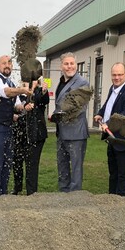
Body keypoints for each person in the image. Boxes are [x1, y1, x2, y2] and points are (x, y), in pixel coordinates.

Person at [0, 55, 30, 197]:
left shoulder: (11, 82)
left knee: (7, 161)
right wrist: (22, 90)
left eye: (9, 63)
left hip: (8, 126)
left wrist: (24, 106)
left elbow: (16, 106)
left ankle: (3, 192)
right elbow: (5, 93)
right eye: (4, 63)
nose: (7, 65)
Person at [93, 62, 125, 197]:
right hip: (113, 139)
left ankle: (121, 205)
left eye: (120, 74)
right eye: (114, 75)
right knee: (113, 173)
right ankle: (111, 200)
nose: (117, 77)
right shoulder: (113, 88)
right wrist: (100, 113)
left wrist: (107, 123)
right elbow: (109, 104)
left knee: (123, 176)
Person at [51, 52, 91, 192]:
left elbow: (79, 107)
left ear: (76, 64)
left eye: (72, 63)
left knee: (75, 170)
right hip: (61, 133)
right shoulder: (62, 82)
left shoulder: (82, 83)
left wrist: (59, 115)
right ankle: (63, 196)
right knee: (62, 168)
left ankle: (75, 200)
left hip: (75, 133)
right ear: (61, 66)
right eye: (66, 64)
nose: (69, 67)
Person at [11, 78, 50, 195]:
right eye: (24, 83)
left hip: (35, 135)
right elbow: (10, 108)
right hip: (18, 134)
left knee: (31, 164)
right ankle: (17, 188)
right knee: (16, 162)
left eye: (31, 82)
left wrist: (43, 91)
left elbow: (44, 100)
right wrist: (13, 114)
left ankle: (31, 192)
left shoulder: (37, 93)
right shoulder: (15, 94)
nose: (27, 85)